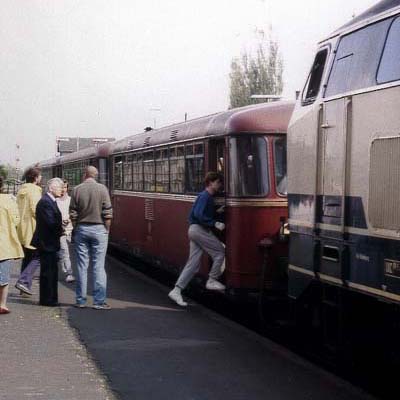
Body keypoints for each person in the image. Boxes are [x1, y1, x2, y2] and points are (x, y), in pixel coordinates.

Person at [168, 172, 226, 307]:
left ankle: (176, 290)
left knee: (193, 264)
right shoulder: (205, 196)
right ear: (211, 182)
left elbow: (200, 213)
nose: (219, 185)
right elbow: (198, 214)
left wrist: (217, 212)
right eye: (218, 182)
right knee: (219, 252)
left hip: (194, 230)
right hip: (199, 230)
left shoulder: (205, 197)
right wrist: (214, 223)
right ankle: (212, 280)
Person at [70, 166, 113, 310]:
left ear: (85, 175)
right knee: (98, 266)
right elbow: (107, 213)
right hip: (99, 229)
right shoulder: (103, 189)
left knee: (82, 266)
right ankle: (98, 302)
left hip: (82, 228)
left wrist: (76, 228)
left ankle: (81, 301)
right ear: (96, 176)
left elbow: (73, 213)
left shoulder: (77, 189)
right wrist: (106, 230)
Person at [31, 178, 63, 306]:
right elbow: (50, 222)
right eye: (59, 187)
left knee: (51, 272)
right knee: (48, 273)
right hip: (47, 243)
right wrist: (61, 228)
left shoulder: (49, 201)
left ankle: (50, 298)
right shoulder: (46, 202)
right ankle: (47, 299)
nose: (61, 189)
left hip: (49, 242)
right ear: (51, 188)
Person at [15, 167, 42, 296]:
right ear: (35, 178)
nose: (40, 178)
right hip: (33, 229)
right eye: (40, 176)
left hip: (22, 229)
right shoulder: (35, 191)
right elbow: (36, 209)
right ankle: (24, 281)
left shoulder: (21, 190)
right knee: (37, 256)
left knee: (27, 258)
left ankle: (23, 288)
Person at [0, 176, 24, 314]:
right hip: (4, 244)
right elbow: (16, 220)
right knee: (3, 277)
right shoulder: (8, 200)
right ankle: (2, 304)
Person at [56, 180, 75, 283]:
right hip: (60, 230)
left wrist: (69, 220)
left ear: (67, 188)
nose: (63, 189)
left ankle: (64, 269)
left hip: (69, 229)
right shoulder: (56, 201)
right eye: (61, 187)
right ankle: (69, 273)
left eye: (65, 187)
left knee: (62, 252)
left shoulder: (70, 200)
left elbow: (73, 213)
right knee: (65, 251)